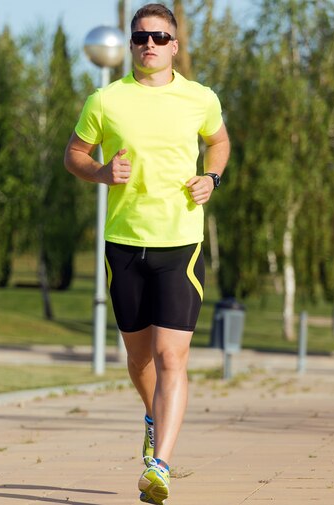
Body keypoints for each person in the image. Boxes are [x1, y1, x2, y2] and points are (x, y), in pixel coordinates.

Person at [64, 3, 230, 504]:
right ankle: (153, 417)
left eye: (160, 37)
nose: (150, 45)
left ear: (175, 46)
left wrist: (211, 178)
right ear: (132, 44)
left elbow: (218, 142)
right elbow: (74, 153)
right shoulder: (105, 100)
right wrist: (98, 173)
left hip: (180, 242)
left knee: (170, 355)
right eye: (141, 38)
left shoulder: (200, 98)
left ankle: (159, 465)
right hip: (124, 243)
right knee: (140, 359)